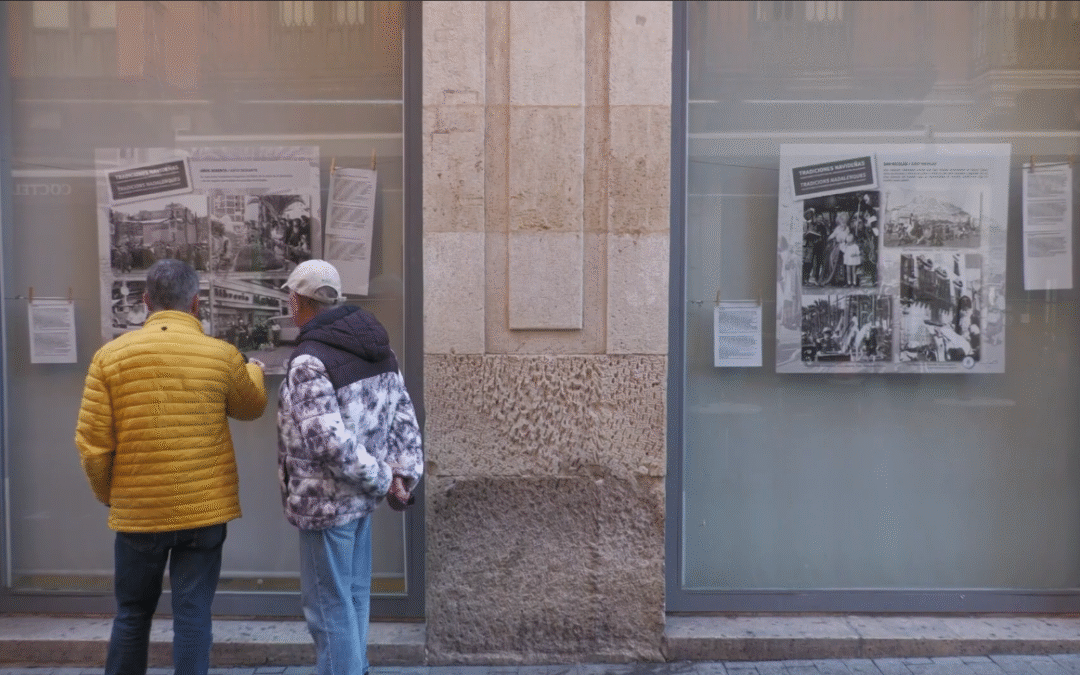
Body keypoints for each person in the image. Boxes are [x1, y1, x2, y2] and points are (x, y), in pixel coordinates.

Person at [74, 259, 268, 675]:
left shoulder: (110, 357)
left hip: (138, 513)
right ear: (196, 303)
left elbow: (92, 443)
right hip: (204, 512)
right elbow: (250, 408)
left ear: (146, 301)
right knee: (193, 615)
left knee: (131, 613)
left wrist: (112, 495)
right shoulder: (221, 355)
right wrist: (254, 371)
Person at [277, 260, 423, 675]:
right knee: (354, 599)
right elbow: (403, 416)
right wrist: (397, 474)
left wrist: (381, 477)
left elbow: (328, 444)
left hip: (326, 506)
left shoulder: (310, 360)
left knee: (329, 611)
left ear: (298, 301)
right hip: (362, 500)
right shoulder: (378, 346)